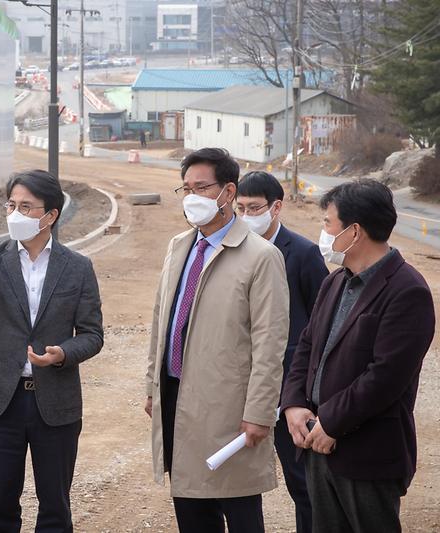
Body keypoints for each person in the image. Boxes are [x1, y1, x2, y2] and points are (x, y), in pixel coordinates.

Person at [0, 169, 103, 532]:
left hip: (56, 402)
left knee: (55, 507)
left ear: (50, 215)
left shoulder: (77, 268)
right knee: (1, 504)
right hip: (2, 400)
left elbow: (92, 334)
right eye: (12, 205)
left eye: (27, 207)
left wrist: (62, 353)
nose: (16, 214)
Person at [145, 148, 289, 533]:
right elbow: (162, 321)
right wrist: (152, 388)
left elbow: (269, 343)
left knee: (238, 507)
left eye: (202, 187)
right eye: (186, 188)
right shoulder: (180, 246)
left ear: (228, 191)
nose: (192, 196)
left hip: (230, 410)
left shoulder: (261, 257)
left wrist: (259, 412)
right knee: (191, 510)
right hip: (178, 398)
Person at [282, 179, 435, 533]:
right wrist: (293, 403)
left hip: (367, 453)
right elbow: (307, 345)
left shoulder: (407, 291)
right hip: (318, 442)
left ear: (354, 231)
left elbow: (385, 377)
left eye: (327, 223)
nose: (322, 231)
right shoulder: (336, 281)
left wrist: (332, 422)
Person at [236, 171, 328, 533]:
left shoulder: (303, 254)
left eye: (254, 207)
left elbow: (321, 324)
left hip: (292, 388)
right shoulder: (235, 249)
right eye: (239, 207)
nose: (246, 215)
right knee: (241, 481)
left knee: (303, 483)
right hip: (244, 384)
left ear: (276, 207)